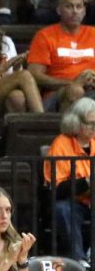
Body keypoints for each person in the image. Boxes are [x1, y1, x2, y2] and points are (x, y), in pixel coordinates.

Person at [43, 98, 95, 261]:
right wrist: (87, 182)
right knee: (63, 209)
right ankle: (79, 261)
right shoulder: (61, 145)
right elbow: (57, 190)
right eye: (91, 123)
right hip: (73, 201)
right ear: (76, 122)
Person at [27, 0, 95, 111]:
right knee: (75, 90)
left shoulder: (93, 34)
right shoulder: (45, 36)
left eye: (79, 7)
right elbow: (34, 75)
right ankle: (68, 130)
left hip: (92, 90)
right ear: (59, 10)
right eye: (69, 6)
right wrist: (72, 83)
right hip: (57, 94)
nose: (75, 11)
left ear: (84, 11)